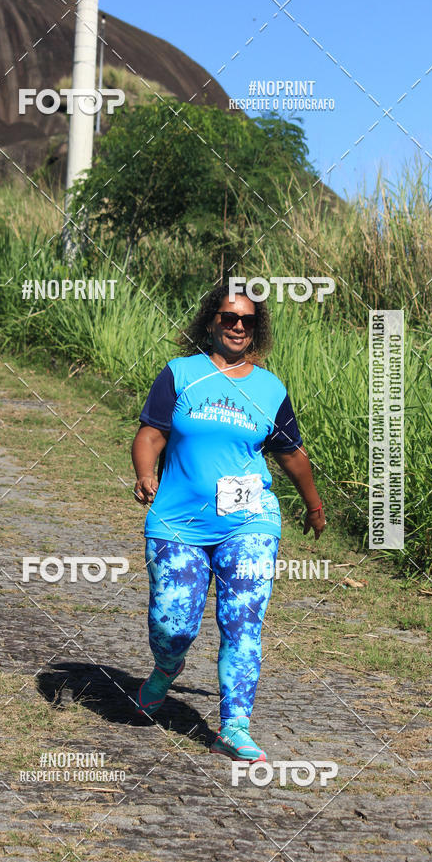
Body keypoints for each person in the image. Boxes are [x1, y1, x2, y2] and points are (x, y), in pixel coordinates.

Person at [132, 284, 326, 762]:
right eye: (228, 317)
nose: (238, 326)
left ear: (257, 329)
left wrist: (315, 505)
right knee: (173, 623)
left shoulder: (270, 388)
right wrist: (143, 472)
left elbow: (290, 453)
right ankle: (164, 671)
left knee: (243, 622)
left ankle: (233, 727)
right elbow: (151, 433)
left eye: (248, 320)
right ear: (212, 322)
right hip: (178, 520)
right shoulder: (182, 374)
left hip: (250, 519)